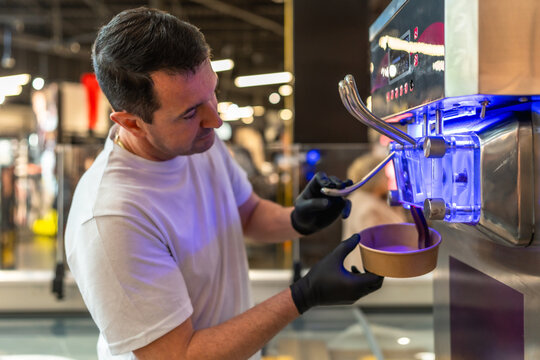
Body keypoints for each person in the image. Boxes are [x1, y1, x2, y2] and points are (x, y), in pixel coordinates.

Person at [65, 7, 383, 360]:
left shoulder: (198, 142)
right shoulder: (112, 218)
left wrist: (297, 219)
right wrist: (303, 295)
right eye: (189, 113)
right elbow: (178, 355)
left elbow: (245, 214)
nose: (214, 120)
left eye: (211, 94)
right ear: (132, 123)